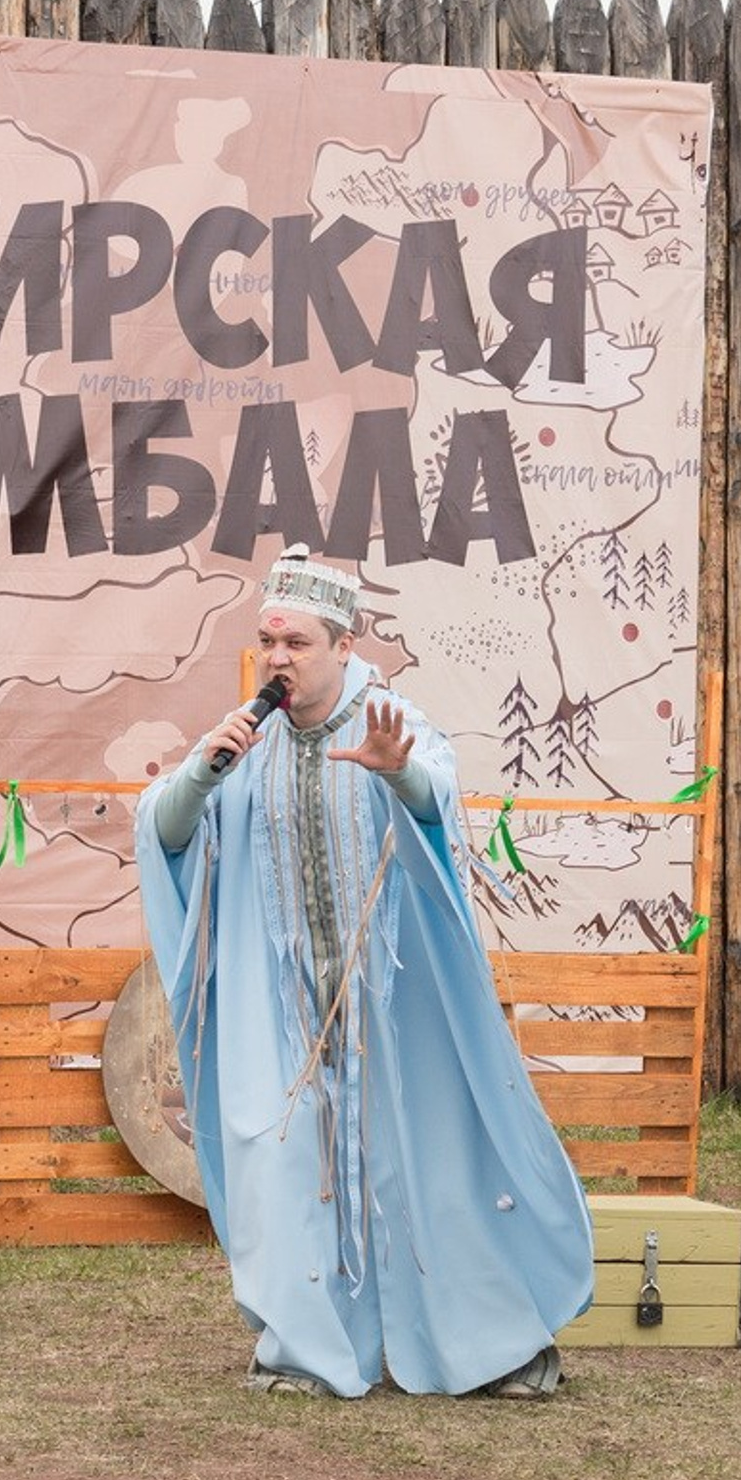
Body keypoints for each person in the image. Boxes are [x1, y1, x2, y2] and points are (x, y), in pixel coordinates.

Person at [135, 550, 594, 1399]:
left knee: (430, 1169)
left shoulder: (390, 720)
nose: (279, 658)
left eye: (298, 643)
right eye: (269, 641)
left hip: (392, 1002)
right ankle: (307, 1351)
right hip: (281, 1006)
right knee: (283, 1170)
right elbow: (162, 831)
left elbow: (439, 799)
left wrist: (402, 775)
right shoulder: (243, 740)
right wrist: (201, 773)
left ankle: (490, 1349)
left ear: (343, 645)